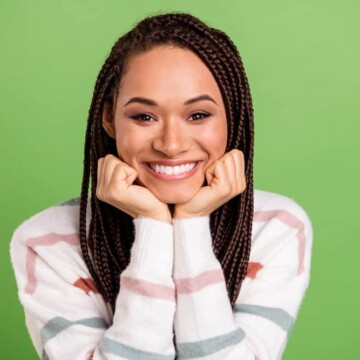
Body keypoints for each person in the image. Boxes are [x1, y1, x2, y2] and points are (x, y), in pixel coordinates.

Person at [10, 12, 313, 360]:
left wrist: (191, 225)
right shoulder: (45, 243)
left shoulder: (277, 229)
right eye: (144, 116)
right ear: (109, 118)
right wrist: (152, 227)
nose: (171, 144)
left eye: (198, 115)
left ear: (232, 116)